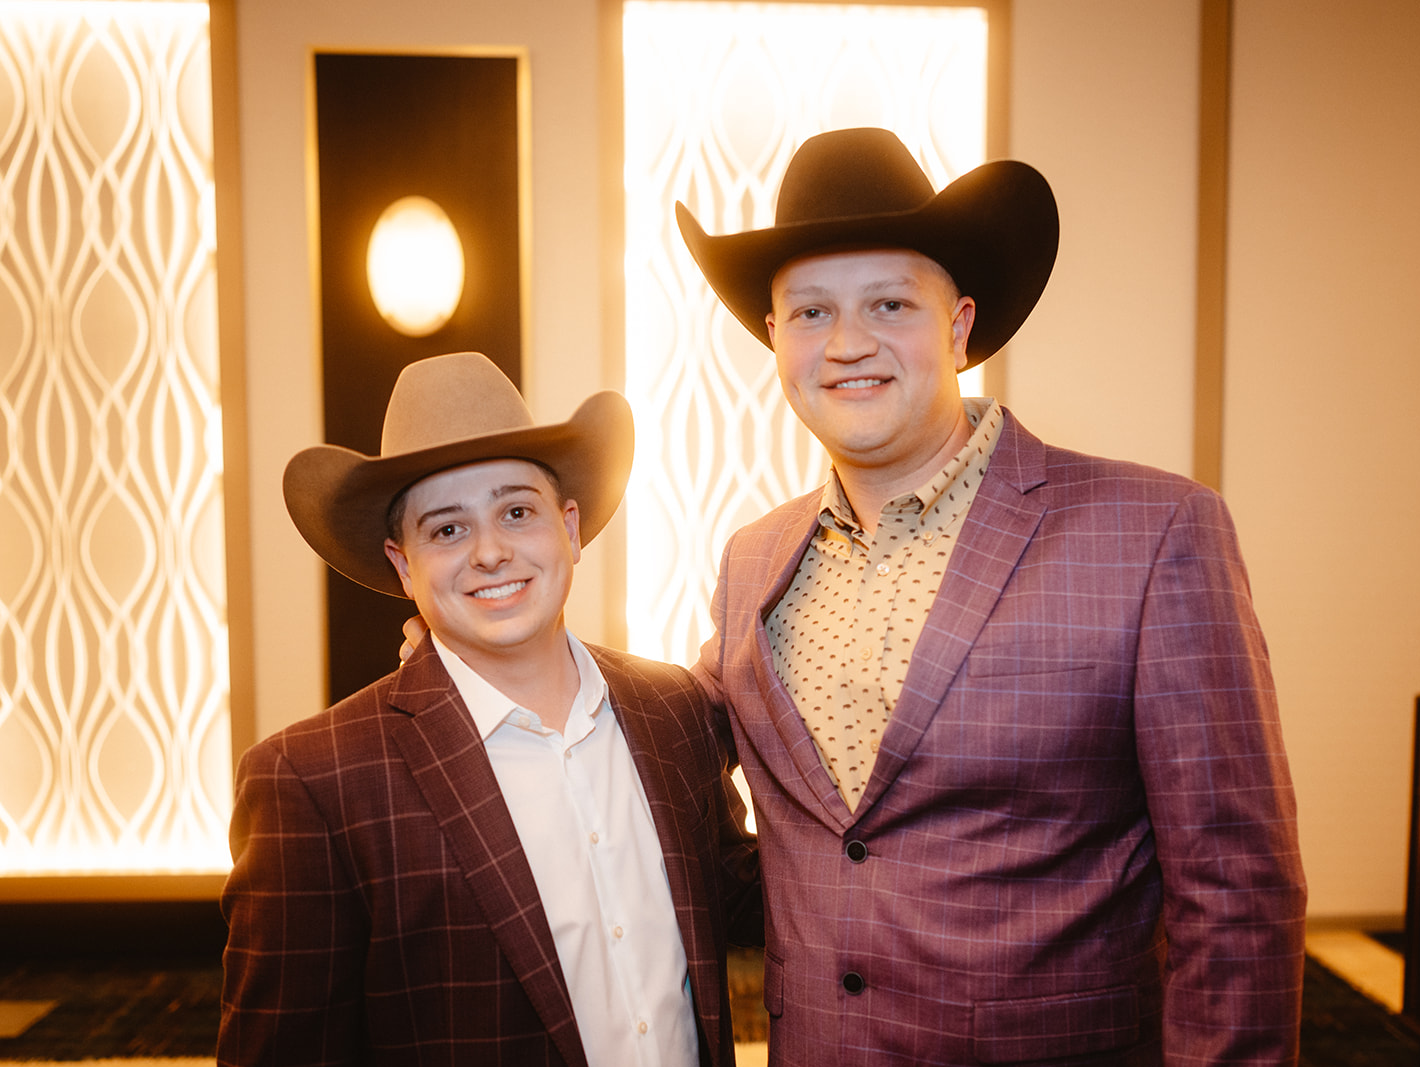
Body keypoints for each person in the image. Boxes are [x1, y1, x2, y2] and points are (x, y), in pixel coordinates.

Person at [673, 127, 1307, 1065]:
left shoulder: (1155, 532)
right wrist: (509, 663)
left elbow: (1237, 894)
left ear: (960, 324)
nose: (847, 344)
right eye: (810, 312)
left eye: (890, 303)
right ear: (774, 337)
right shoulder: (752, 560)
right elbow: (669, 744)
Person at [218, 352, 759, 1067]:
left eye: (516, 512)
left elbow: (742, 892)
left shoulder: (670, 709)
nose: (491, 552)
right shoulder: (314, 782)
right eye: (448, 530)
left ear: (569, 528)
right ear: (404, 565)